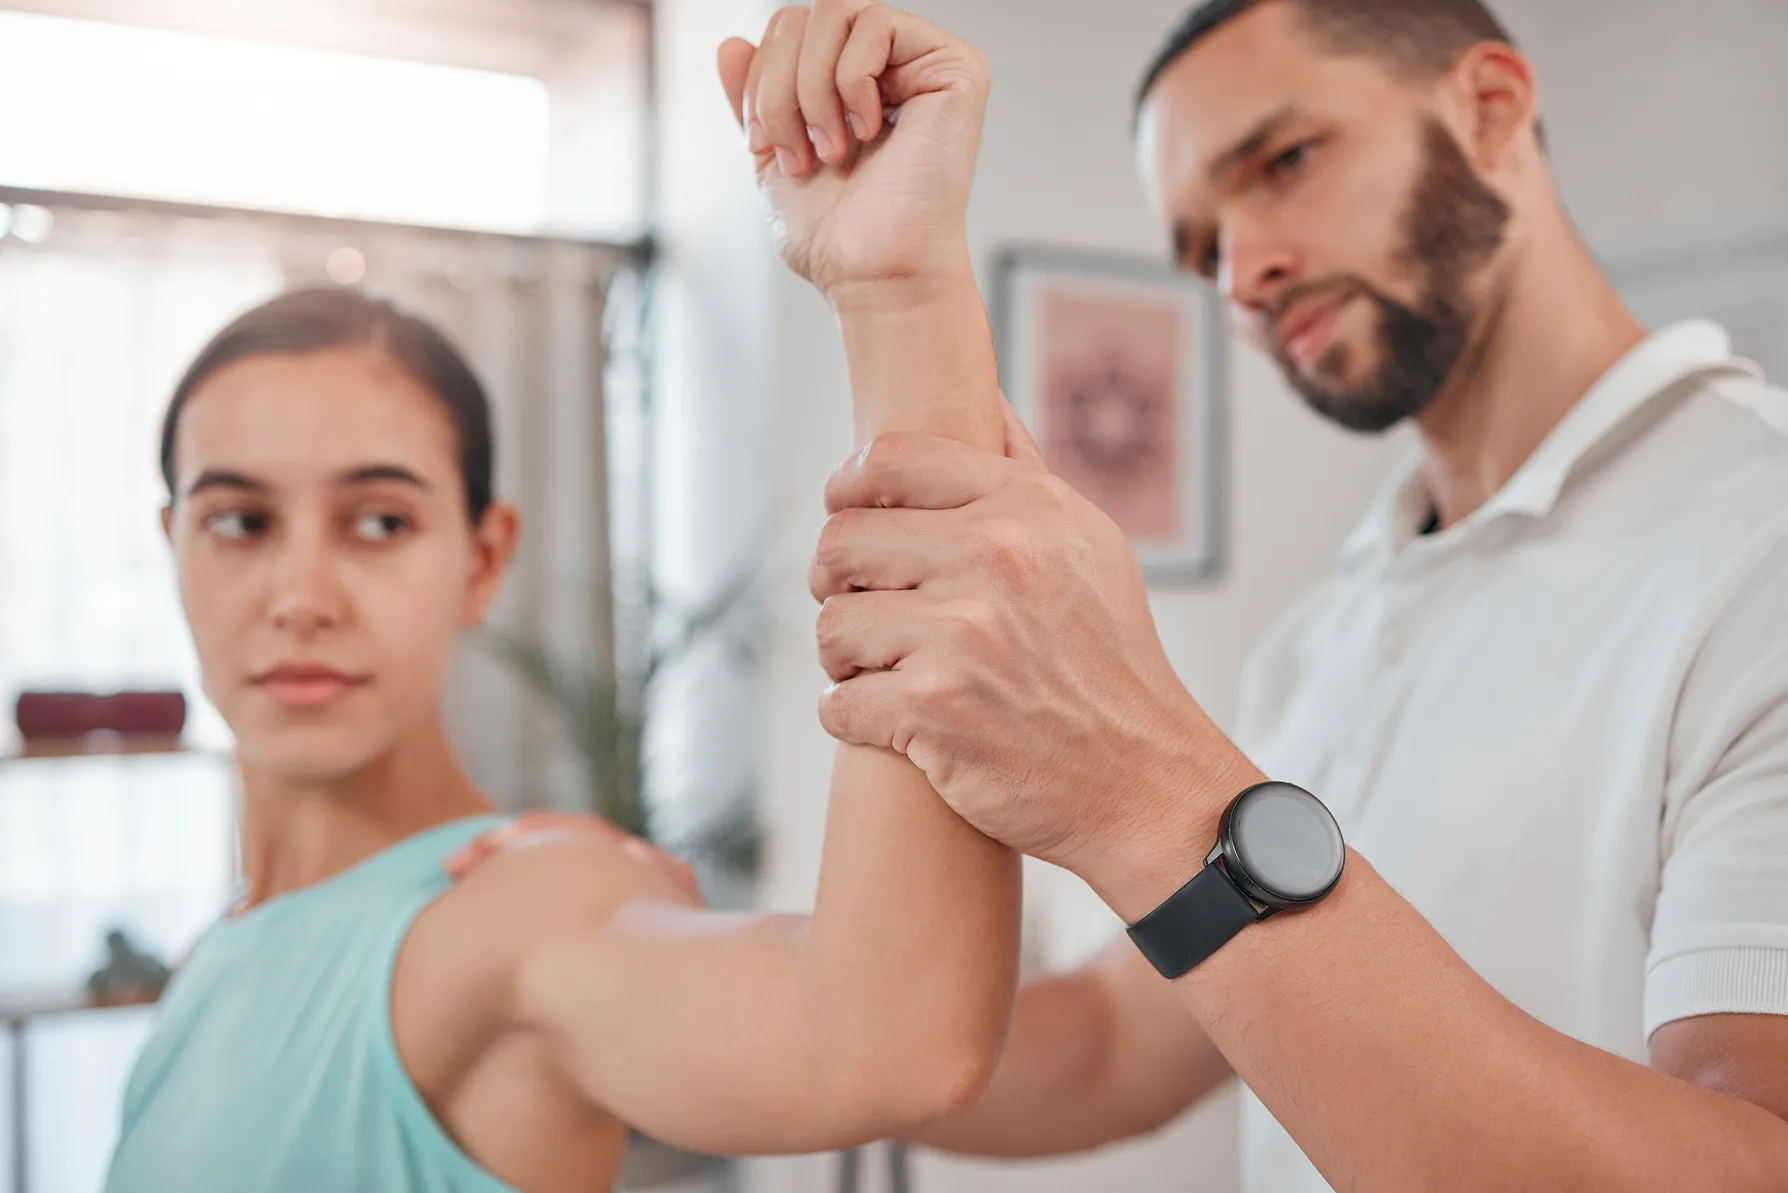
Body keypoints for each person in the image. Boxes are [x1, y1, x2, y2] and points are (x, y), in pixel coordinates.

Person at [740, 0, 1788, 1189]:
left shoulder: (1763, 543)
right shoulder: (1332, 631)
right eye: (1200, 250)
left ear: (1491, 108)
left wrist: (1138, 778)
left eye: (1285, 162)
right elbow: (1111, 1049)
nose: (1245, 272)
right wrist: (651, 978)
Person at [106, 112, 1021, 1193]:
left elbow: (882, 1036)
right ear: (174, 546)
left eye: (380, 521)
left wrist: (898, 297)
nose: (301, 597)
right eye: (240, 521)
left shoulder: (523, 913)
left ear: (485, 558)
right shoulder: (215, 953)